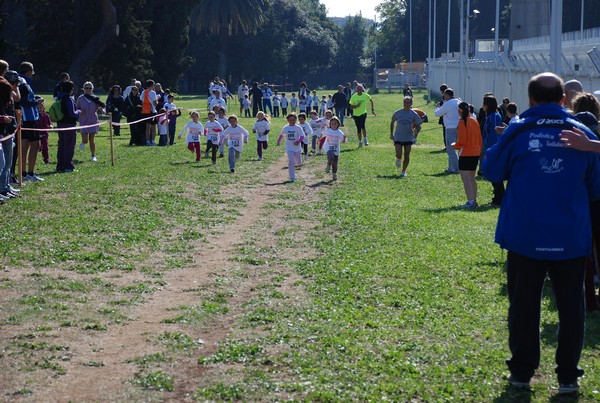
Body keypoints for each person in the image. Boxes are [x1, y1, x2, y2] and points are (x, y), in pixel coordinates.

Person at [483, 72, 600, 395]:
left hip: (524, 235)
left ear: (530, 98)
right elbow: (595, 189)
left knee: (523, 306)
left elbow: (491, 171)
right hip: (570, 237)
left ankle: (522, 371)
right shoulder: (583, 134)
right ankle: (567, 378)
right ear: (564, 99)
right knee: (570, 308)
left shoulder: (518, 130)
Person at [452, 101, 482, 208]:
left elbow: (462, 141)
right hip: (475, 152)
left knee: (466, 179)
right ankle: (474, 200)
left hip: (466, 153)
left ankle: (470, 201)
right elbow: (479, 138)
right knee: (472, 178)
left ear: (460, 111)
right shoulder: (474, 120)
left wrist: (455, 145)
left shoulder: (462, 122)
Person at [390, 96, 422, 177]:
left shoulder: (413, 114)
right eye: (405, 102)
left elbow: (418, 126)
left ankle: (403, 171)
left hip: (408, 137)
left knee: (407, 155)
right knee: (398, 153)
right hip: (398, 136)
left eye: (408, 102)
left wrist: (415, 136)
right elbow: (392, 122)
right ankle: (398, 158)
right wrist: (391, 134)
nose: (406, 104)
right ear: (403, 103)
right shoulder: (397, 112)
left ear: (411, 104)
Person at [481, 94, 504, 207]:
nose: (482, 106)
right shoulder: (489, 116)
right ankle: (497, 198)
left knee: (495, 174)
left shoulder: (494, 116)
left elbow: (494, 133)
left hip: (493, 148)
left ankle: (498, 200)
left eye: (484, 103)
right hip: (489, 147)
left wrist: (491, 149)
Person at [76, 81, 105, 162]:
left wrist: (102, 110)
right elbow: (76, 108)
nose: (88, 89)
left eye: (90, 88)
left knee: (91, 139)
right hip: (83, 120)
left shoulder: (95, 98)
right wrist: (80, 111)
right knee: (85, 139)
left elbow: (102, 107)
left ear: (92, 89)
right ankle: (83, 142)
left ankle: (93, 155)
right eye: (86, 88)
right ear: (84, 89)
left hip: (93, 120)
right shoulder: (80, 98)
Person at [434, 87, 460, 173]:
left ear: (448, 95)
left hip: (450, 128)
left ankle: (456, 168)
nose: (444, 97)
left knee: (450, 149)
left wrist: (437, 107)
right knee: (457, 148)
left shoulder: (448, 103)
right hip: (459, 127)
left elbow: (437, 114)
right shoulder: (458, 101)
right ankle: (450, 167)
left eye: (444, 95)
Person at [55, 80, 80, 172]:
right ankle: (67, 166)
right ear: (71, 89)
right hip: (69, 124)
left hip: (60, 124)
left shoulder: (59, 98)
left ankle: (60, 165)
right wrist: (79, 111)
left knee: (61, 144)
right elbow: (72, 113)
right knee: (69, 145)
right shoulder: (69, 99)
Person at [277, 113, 305, 182]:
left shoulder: (298, 127)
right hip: (289, 147)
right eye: (290, 120)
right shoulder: (286, 128)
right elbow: (282, 135)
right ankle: (292, 177)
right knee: (291, 161)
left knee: (299, 162)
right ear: (288, 120)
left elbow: (302, 136)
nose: (292, 121)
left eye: (293, 120)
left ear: (296, 120)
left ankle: (298, 161)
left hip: (297, 147)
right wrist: (278, 141)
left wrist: (298, 142)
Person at [322, 116, 346, 181]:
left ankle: (334, 173)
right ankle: (328, 165)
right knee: (330, 157)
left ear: (338, 124)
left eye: (335, 123)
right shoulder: (328, 130)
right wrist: (318, 140)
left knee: (335, 163)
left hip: (336, 149)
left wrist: (344, 139)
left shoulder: (339, 132)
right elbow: (322, 135)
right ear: (330, 124)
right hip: (328, 147)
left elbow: (343, 142)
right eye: (332, 124)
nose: (334, 125)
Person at [140, 79, 158, 146]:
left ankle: (147, 141)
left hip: (145, 111)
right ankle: (152, 141)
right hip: (152, 111)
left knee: (147, 127)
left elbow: (142, 102)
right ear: (152, 85)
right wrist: (157, 99)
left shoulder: (143, 92)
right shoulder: (153, 93)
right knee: (153, 127)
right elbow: (155, 103)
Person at [37, 99, 52, 165]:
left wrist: (51, 126)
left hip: (44, 134)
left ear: (43, 108)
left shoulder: (46, 116)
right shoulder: (36, 116)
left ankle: (46, 159)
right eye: (37, 108)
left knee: (45, 148)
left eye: (40, 107)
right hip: (37, 134)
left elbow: (50, 123)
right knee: (37, 147)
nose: (39, 109)